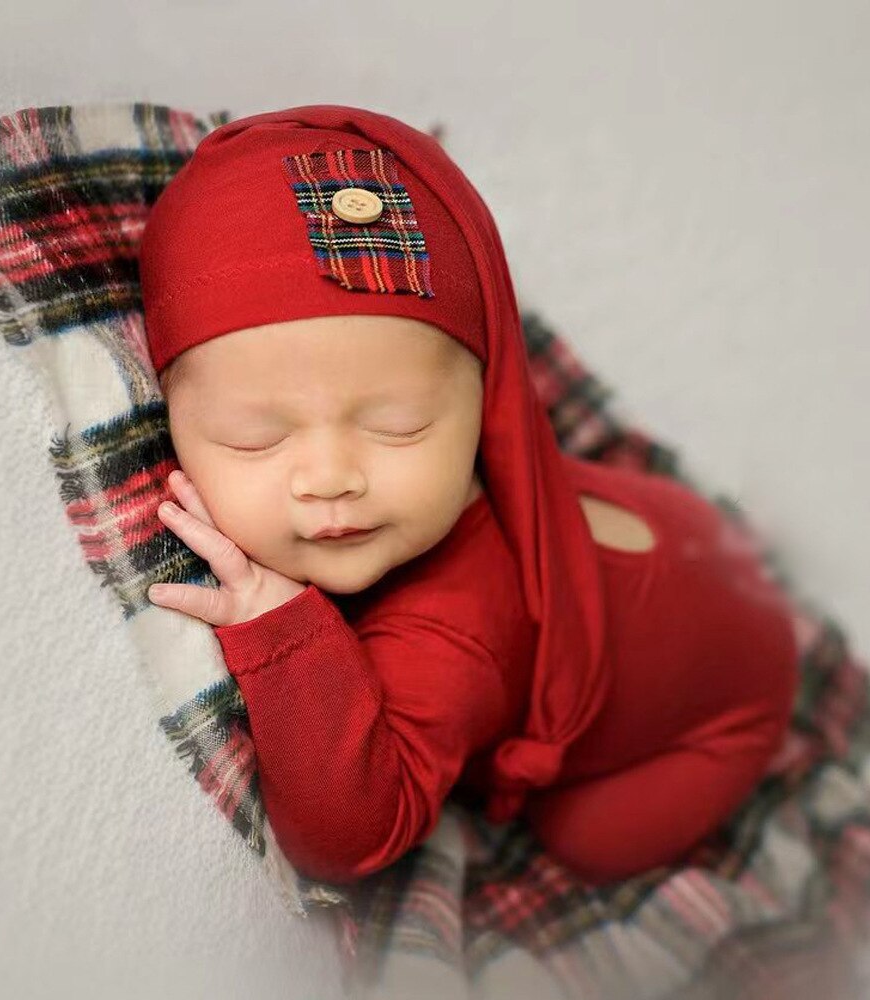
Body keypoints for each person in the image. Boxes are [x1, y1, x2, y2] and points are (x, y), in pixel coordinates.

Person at [138, 104, 799, 887]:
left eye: (400, 427)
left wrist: (281, 632)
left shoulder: (450, 633)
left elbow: (344, 842)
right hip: (687, 538)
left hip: (730, 696)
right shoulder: (396, 499)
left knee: (586, 840)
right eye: (255, 438)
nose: (330, 477)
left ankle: (750, 716)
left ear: (487, 406)